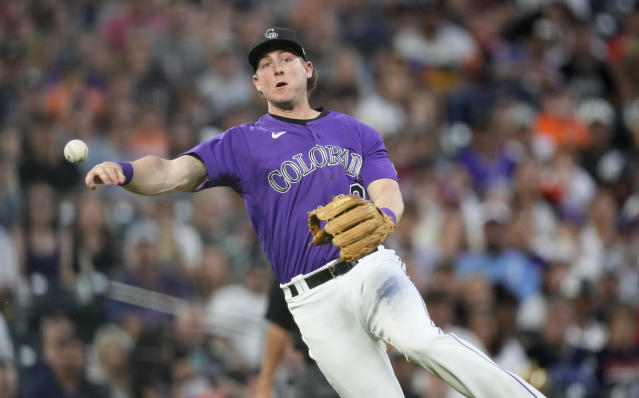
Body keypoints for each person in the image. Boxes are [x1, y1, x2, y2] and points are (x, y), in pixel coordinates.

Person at [85, 26, 545, 397]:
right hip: (310, 303)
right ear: (256, 84)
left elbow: (388, 188)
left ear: (308, 69)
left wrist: (385, 216)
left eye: (285, 59)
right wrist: (125, 170)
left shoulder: (357, 132)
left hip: (369, 267)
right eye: (265, 65)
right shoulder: (242, 143)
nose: (276, 68)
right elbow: (170, 173)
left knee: (420, 340)